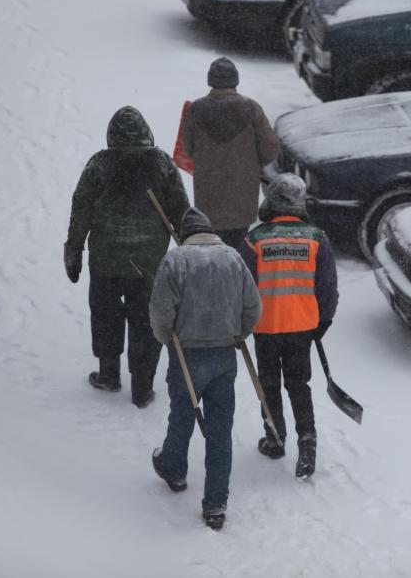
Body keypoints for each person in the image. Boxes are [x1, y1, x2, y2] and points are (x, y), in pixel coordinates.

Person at [64, 105, 189, 408]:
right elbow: (181, 210)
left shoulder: (100, 165)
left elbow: (81, 209)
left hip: (106, 259)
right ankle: (142, 387)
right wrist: (190, 248)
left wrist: (74, 250)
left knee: (106, 315)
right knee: (145, 321)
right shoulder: (161, 164)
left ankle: (108, 374)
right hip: (148, 262)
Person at [149, 208, 262, 530]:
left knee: (182, 414)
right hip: (224, 355)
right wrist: (238, 334)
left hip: (187, 354)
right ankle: (215, 505)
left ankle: (173, 469)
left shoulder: (176, 261)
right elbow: (253, 306)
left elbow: (160, 311)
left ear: (185, 235)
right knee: (220, 431)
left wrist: (168, 339)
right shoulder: (232, 258)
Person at [242, 173, 338, 479]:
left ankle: (275, 438)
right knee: (299, 385)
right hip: (301, 330)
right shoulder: (316, 238)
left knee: (268, 385)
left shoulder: (254, 240)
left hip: (265, 328)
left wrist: (241, 323)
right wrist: (322, 322)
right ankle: (307, 443)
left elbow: (243, 288)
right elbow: (327, 289)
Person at [180, 57, 280, 254]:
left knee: (214, 252)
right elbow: (270, 149)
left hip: (208, 199)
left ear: (211, 80)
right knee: (240, 251)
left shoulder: (196, 110)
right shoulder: (251, 109)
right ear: (235, 80)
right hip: (242, 199)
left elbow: (188, 149)